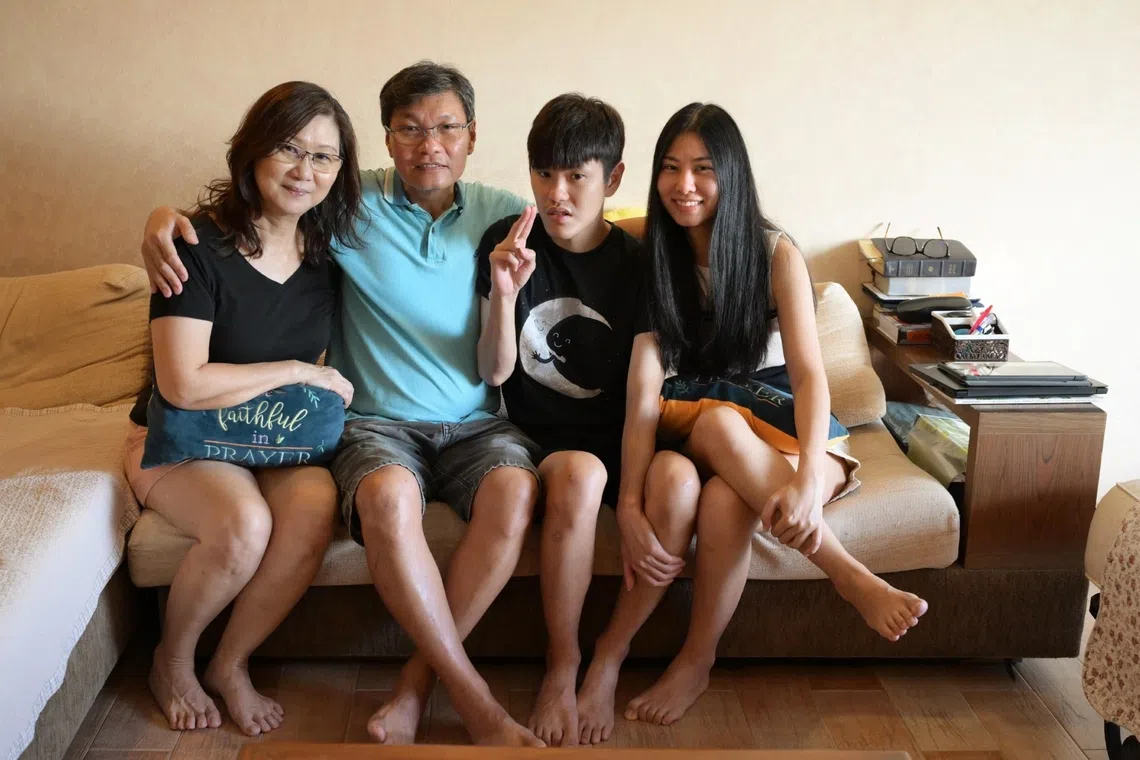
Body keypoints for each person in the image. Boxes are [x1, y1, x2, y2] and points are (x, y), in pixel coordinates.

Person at [139, 62, 650, 747]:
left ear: (471, 137)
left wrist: (714, 236)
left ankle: (415, 685)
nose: (428, 145)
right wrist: (160, 220)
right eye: (409, 129)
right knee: (384, 500)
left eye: (446, 128)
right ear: (385, 139)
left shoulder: (507, 213)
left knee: (512, 497)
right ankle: (477, 705)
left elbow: (591, 220)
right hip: (373, 425)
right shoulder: (345, 206)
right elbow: (261, 202)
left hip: (477, 426)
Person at [580, 102, 931, 730]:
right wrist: (629, 504)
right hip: (703, 421)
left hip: (788, 426)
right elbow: (641, 395)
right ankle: (846, 575)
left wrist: (802, 481)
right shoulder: (650, 253)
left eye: (703, 169)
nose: (684, 185)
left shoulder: (774, 253)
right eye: (670, 168)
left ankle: (695, 658)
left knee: (723, 499)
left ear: (732, 174)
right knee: (715, 431)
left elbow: (808, 375)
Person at [122, 81, 362, 735]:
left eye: (323, 157)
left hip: (271, 438)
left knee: (315, 510)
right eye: (288, 148)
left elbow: (423, 181)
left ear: (341, 172)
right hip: (179, 438)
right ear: (253, 151)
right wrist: (295, 371)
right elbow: (183, 386)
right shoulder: (195, 245)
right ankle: (171, 661)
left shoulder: (330, 260)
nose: (303, 170)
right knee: (244, 525)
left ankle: (230, 663)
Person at [474, 94, 701, 747]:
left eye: (577, 175)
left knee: (678, 489)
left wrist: (629, 505)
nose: (558, 192)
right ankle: (562, 663)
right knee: (576, 474)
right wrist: (505, 296)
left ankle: (608, 659)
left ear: (615, 179)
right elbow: (492, 373)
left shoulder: (639, 266)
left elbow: (642, 394)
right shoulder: (507, 243)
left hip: (626, 435)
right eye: (545, 173)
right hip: (542, 441)